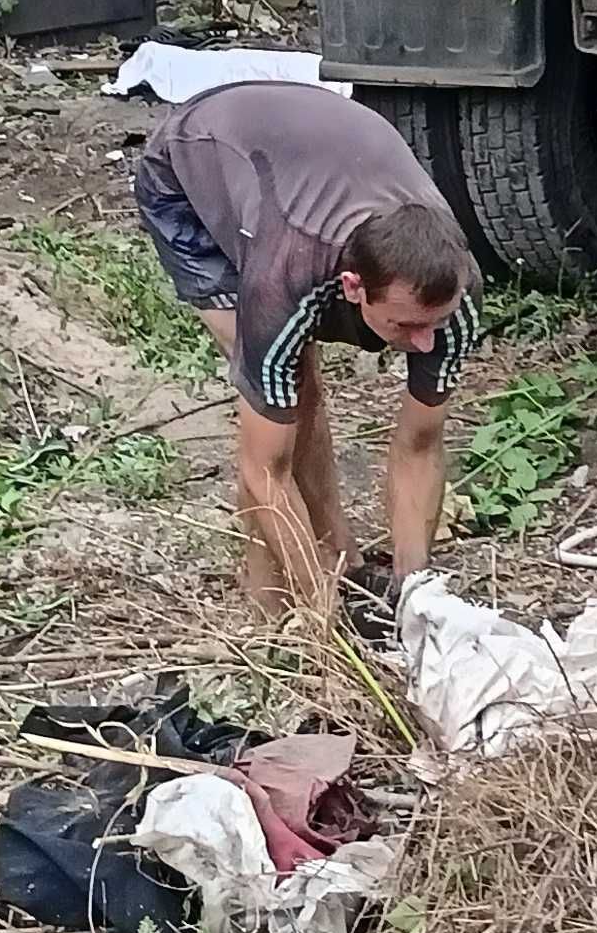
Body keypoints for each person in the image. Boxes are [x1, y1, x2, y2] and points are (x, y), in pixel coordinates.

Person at [133, 83, 482, 613]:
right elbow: (263, 472)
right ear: (352, 288)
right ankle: (271, 608)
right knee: (288, 389)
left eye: (434, 323)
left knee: (296, 385)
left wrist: (418, 599)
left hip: (312, 155)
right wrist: (325, 616)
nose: (424, 342)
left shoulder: (452, 292)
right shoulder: (283, 276)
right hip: (194, 163)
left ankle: (344, 559)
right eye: (406, 325)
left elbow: (420, 444)